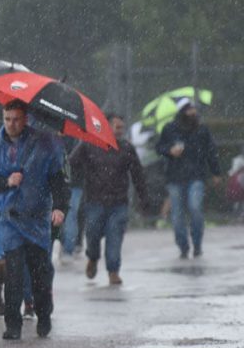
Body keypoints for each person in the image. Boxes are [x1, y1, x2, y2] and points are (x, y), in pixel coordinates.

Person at [0, 100, 69, 340]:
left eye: (16, 119)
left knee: (40, 273)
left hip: (37, 219)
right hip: (9, 220)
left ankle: (44, 315)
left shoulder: (44, 145)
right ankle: (12, 324)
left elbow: (57, 179)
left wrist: (59, 207)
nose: (11, 124)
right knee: (13, 273)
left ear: (25, 118)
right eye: (7, 119)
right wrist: (6, 182)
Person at [70, 114, 149, 285]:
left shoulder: (127, 148)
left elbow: (138, 175)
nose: (120, 131)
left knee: (115, 237)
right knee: (92, 235)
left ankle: (113, 270)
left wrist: (143, 198)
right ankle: (92, 257)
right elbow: (72, 163)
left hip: (118, 203)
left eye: (122, 128)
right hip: (94, 201)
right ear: (106, 126)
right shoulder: (89, 144)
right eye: (117, 127)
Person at [155, 99, 222, 258]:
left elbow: (210, 151)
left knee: (195, 208)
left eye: (194, 109)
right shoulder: (170, 129)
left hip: (196, 176)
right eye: (189, 109)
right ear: (182, 111)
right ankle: (183, 246)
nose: (193, 112)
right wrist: (170, 151)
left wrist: (216, 172)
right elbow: (159, 147)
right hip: (175, 177)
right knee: (177, 215)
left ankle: (197, 244)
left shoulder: (202, 130)